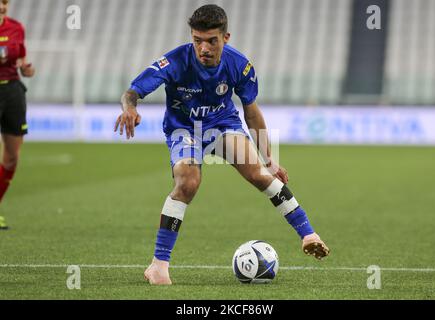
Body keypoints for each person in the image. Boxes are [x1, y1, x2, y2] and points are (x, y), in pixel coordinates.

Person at [115, 4, 329, 285]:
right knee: (188, 182)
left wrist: (269, 158)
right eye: (197, 40)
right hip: (185, 128)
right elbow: (132, 91)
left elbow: (251, 111)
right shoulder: (175, 61)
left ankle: (308, 234)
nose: (203, 48)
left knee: (260, 175)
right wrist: (129, 107)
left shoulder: (240, 65)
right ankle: (158, 265)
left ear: (225, 38)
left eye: (211, 41)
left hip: (222, 125)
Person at [0, 0, 35, 230]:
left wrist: (27, 69)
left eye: (4, 2)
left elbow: (22, 61)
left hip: (12, 91)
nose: (2, 6)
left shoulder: (16, 27)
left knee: (12, 157)